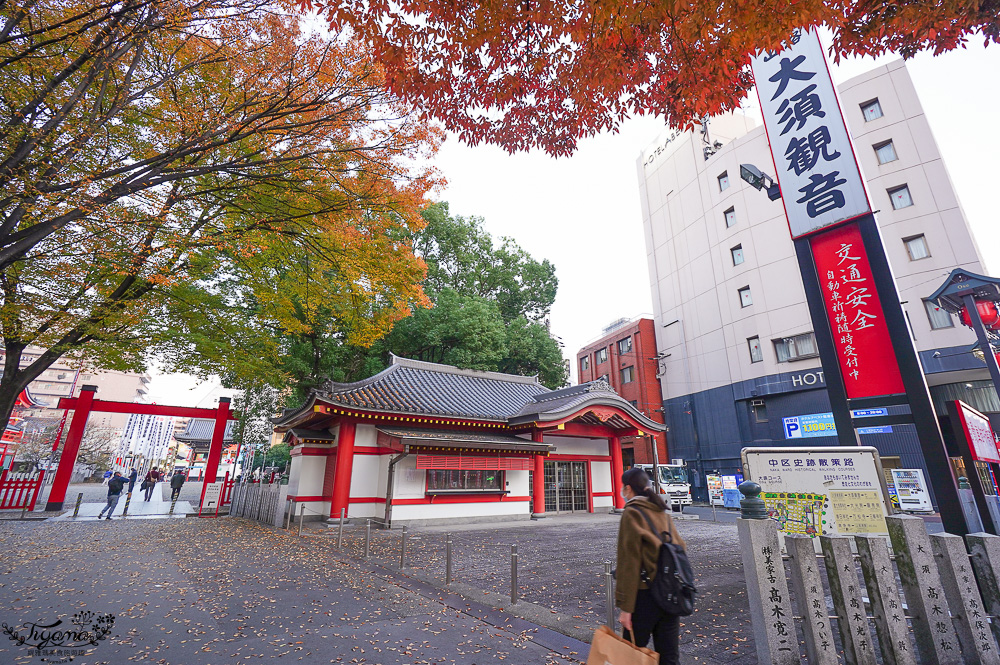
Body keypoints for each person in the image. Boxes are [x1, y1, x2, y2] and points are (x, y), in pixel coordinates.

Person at [615, 467, 686, 665]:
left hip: (644, 594)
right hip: (670, 591)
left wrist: (625, 607)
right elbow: (680, 547)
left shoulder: (632, 513)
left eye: (623, 487)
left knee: (631, 654)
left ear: (628, 488)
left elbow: (629, 561)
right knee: (670, 655)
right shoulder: (661, 510)